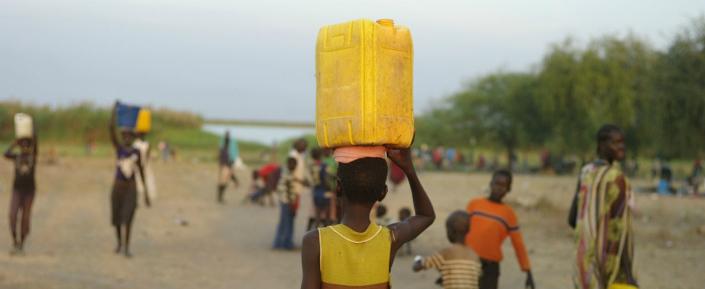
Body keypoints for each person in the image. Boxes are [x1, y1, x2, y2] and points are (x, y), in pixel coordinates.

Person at [300, 147, 436, 289]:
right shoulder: (390, 238)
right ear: (382, 193)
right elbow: (425, 215)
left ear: (338, 187)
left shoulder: (315, 242)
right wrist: (409, 169)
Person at [567, 124, 637, 289]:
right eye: (616, 142)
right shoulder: (617, 179)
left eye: (623, 142)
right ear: (601, 145)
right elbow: (621, 231)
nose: (622, 147)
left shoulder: (586, 172)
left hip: (583, 263)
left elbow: (572, 219)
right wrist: (627, 273)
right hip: (608, 266)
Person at [466, 169, 535, 289]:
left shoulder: (509, 214)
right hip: (468, 261)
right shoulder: (474, 204)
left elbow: (518, 244)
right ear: (490, 183)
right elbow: (461, 234)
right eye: (497, 183)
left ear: (509, 189)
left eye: (503, 186)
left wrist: (527, 270)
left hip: (490, 268)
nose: (499, 188)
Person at [110, 103, 150, 257]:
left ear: (133, 138)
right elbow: (110, 129)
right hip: (117, 188)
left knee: (128, 217)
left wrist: (145, 193)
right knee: (117, 218)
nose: (126, 138)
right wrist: (113, 114)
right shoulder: (119, 149)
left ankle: (127, 247)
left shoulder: (136, 152)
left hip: (131, 189)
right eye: (124, 135)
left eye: (129, 136)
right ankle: (119, 243)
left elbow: (141, 171)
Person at [413, 210, 482, 289]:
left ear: (451, 232)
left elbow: (418, 267)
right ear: (468, 230)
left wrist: (417, 261)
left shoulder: (446, 253)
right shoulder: (474, 255)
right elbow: (469, 278)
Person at [4, 132, 38, 254]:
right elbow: (5, 153)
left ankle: (21, 244)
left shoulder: (33, 157)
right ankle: (15, 241)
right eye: (22, 145)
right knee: (12, 215)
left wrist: (32, 133)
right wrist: (14, 143)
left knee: (25, 218)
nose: (25, 148)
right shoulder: (16, 156)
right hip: (17, 190)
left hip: (29, 191)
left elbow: (35, 145)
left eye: (27, 145)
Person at [272, 157, 303, 250]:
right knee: (287, 222)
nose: (295, 167)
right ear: (289, 164)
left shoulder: (286, 171)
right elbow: (289, 191)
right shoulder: (287, 174)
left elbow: (293, 179)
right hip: (287, 202)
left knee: (283, 222)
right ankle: (287, 243)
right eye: (293, 165)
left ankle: (278, 243)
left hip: (283, 200)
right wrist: (292, 204)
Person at [309, 148, 333, 228]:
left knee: (317, 215)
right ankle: (327, 233)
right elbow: (326, 179)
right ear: (321, 155)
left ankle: (317, 233)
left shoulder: (312, 166)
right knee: (327, 215)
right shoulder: (324, 165)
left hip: (316, 191)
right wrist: (331, 187)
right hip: (325, 191)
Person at [133, 132, 158, 204]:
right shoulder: (137, 144)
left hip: (144, 165)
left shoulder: (145, 144)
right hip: (140, 165)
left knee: (144, 181)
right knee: (139, 181)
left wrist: (144, 164)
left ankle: (145, 197)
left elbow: (147, 155)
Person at [217, 131, 239, 203]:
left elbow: (221, 157)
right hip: (225, 165)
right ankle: (220, 197)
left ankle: (220, 197)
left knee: (224, 180)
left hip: (226, 164)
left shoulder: (225, 145)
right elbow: (223, 157)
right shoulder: (225, 146)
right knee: (223, 181)